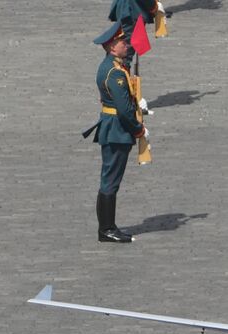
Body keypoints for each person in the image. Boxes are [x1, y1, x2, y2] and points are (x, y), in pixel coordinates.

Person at [91, 23, 146, 243]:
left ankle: (107, 226)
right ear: (113, 47)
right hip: (116, 129)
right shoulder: (115, 72)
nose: (127, 45)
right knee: (110, 180)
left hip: (112, 126)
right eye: (123, 42)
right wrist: (138, 128)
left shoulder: (113, 66)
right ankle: (106, 229)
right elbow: (123, 109)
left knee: (110, 178)